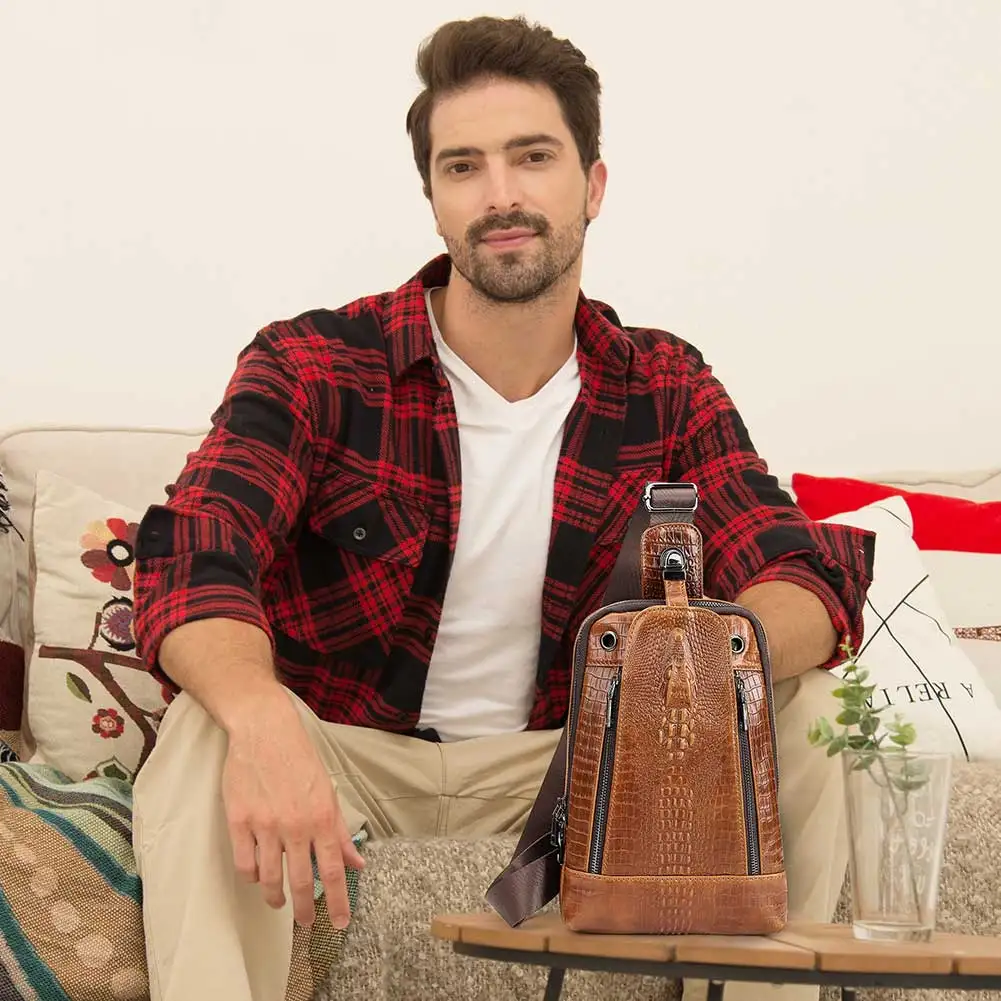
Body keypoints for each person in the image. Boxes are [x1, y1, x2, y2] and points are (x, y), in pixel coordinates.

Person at [131, 14, 875, 1001]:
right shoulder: (312, 362)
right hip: (347, 748)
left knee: (803, 707)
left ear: (592, 185)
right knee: (209, 724)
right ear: (434, 199)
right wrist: (260, 713)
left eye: (532, 157)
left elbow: (799, 572)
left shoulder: (664, 385)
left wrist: (685, 669)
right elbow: (194, 551)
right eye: (463, 167)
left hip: (574, 764)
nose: (500, 196)